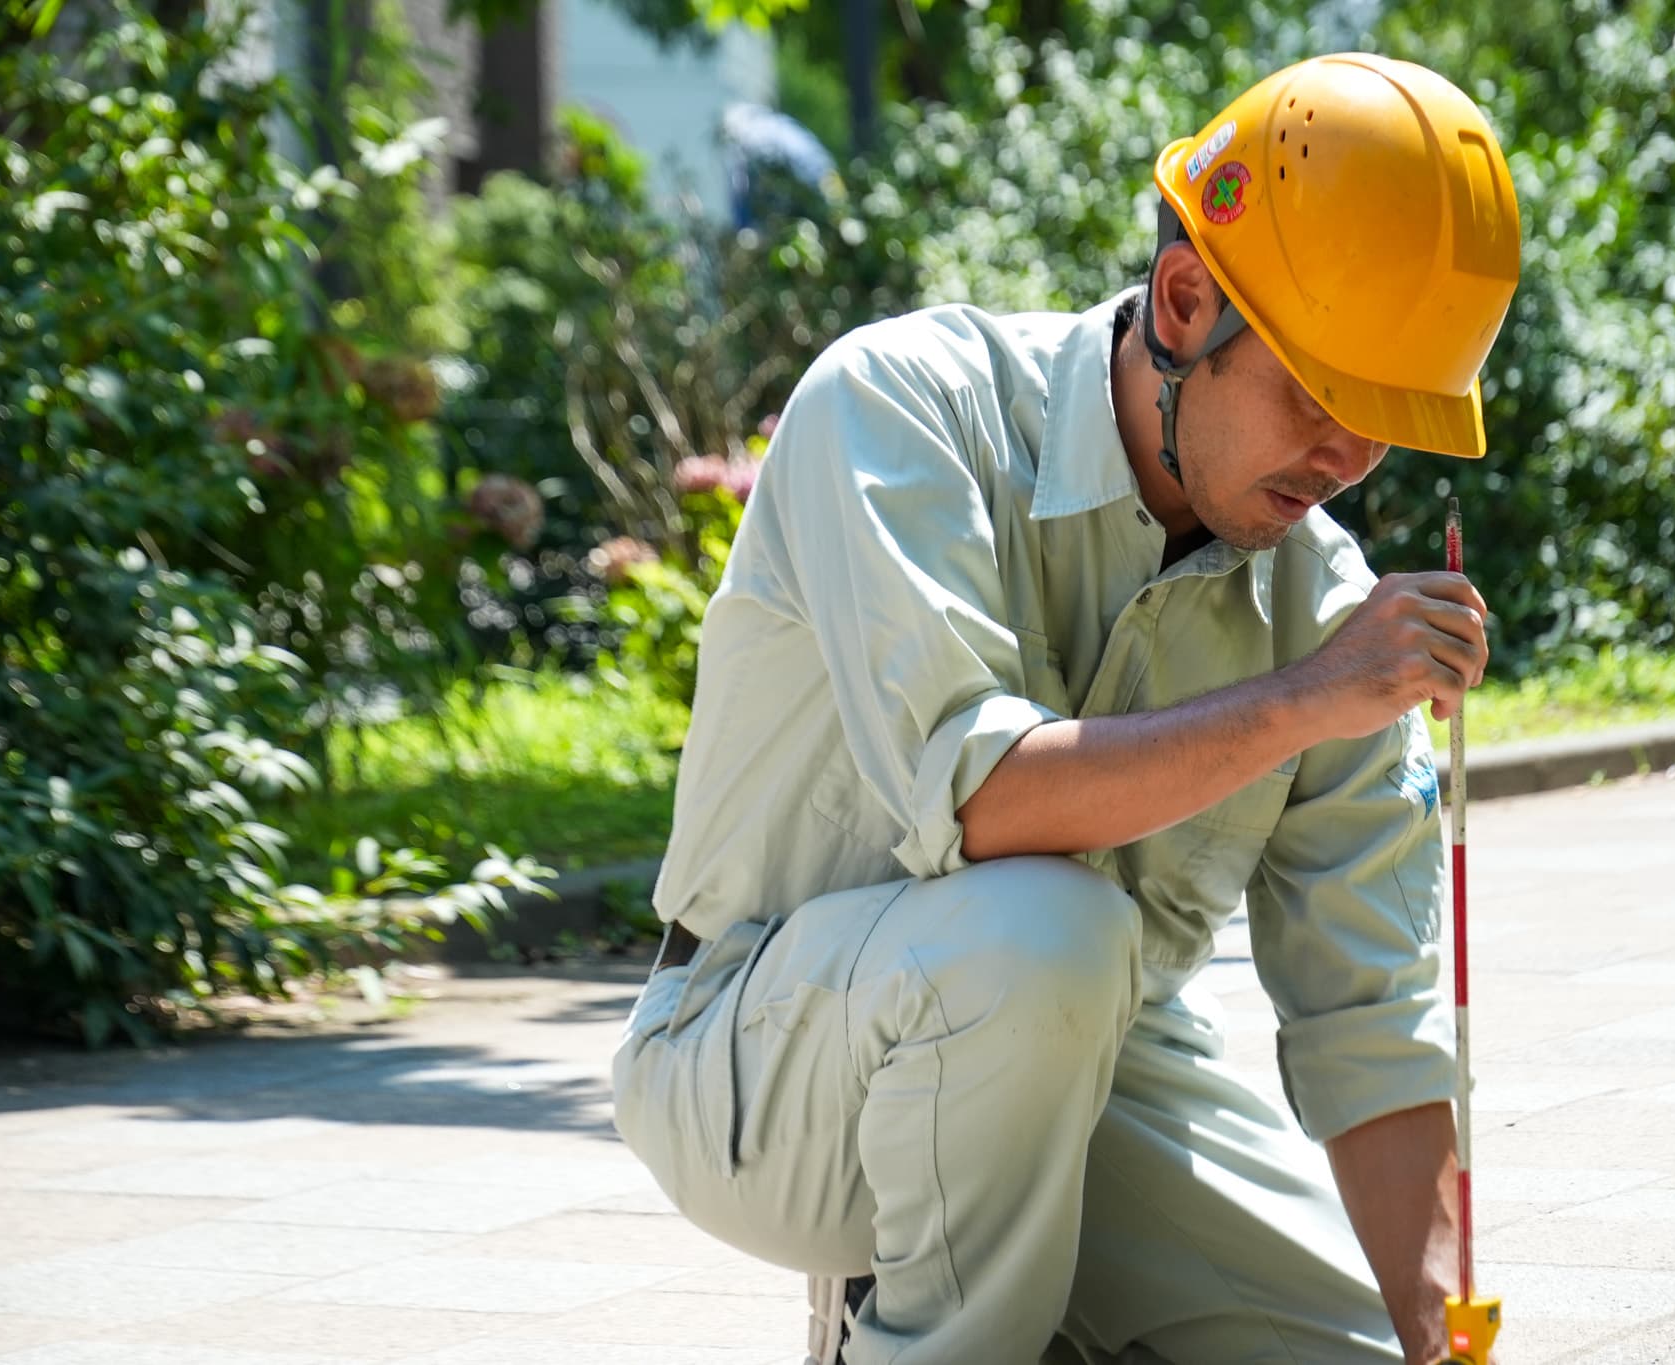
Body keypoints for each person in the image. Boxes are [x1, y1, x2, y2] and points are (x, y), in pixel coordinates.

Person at [612, 51, 1521, 1365]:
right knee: (1046, 927)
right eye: (1320, 399)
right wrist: (1310, 698)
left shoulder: (1323, 607)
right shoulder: (900, 410)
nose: (1345, 461)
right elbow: (984, 801)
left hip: (1090, 1066)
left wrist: (1444, 1337)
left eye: (1384, 425)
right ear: (1187, 298)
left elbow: (1371, 1022)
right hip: (762, 1060)